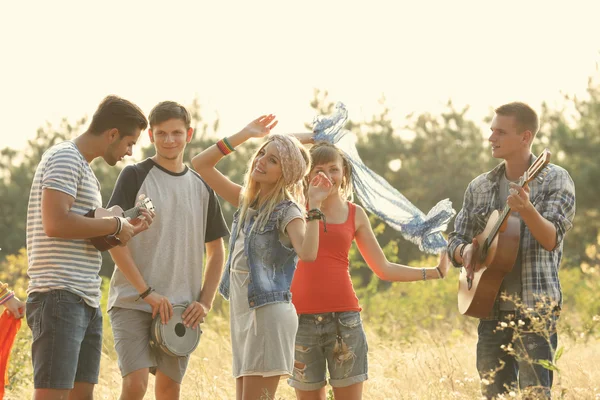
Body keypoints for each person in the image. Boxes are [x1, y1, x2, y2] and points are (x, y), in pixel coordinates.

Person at [286, 141, 449, 400]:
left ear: (344, 173)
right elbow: (275, 145)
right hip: (299, 321)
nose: (327, 176)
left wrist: (434, 272)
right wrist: (316, 136)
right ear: (306, 174)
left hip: (345, 321)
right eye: (318, 169)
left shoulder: (355, 214)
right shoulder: (293, 208)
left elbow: (383, 268)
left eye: (333, 169)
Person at [191, 114, 332, 400]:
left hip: (267, 315)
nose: (261, 161)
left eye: (273, 161)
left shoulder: (288, 211)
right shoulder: (249, 203)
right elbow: (200, 164)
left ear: (286, 172)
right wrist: (245, 134)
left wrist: (314, 205)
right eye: (262, 154)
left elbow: (308, 252)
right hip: (245, 312)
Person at [25, 95, 151, 400]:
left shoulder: (87, 171)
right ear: (112, 135)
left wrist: (126, 230)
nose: (129, 152)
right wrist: (115, 225)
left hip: (85, 298)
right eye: (129, 143)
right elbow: (55, 223)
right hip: (59, 296)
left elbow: (84, 233)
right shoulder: (66, 158)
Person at [447, 102, 576, 399]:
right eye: (492, 130)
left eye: (500, 132)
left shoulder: (556, 179)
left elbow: (552, 238)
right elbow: (455, 238)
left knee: (535, 395)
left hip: (535, 311)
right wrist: (464, 251)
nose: (491, 138)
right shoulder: (479, 186)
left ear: (525, 136)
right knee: (494, 395)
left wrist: (527, 209)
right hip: (489, 309)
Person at [106, 101, 229, 400]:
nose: (169, 140)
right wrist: (147, 292)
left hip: (180, 310)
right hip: (132, 301)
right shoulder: (134, 175)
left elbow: (216, 251)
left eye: (176, 133)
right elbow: (112, 239)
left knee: (169, 390)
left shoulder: (203, 187)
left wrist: (205, 302)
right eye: (161, 133)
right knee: (135, 385)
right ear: (150, 135)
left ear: (189, 133)